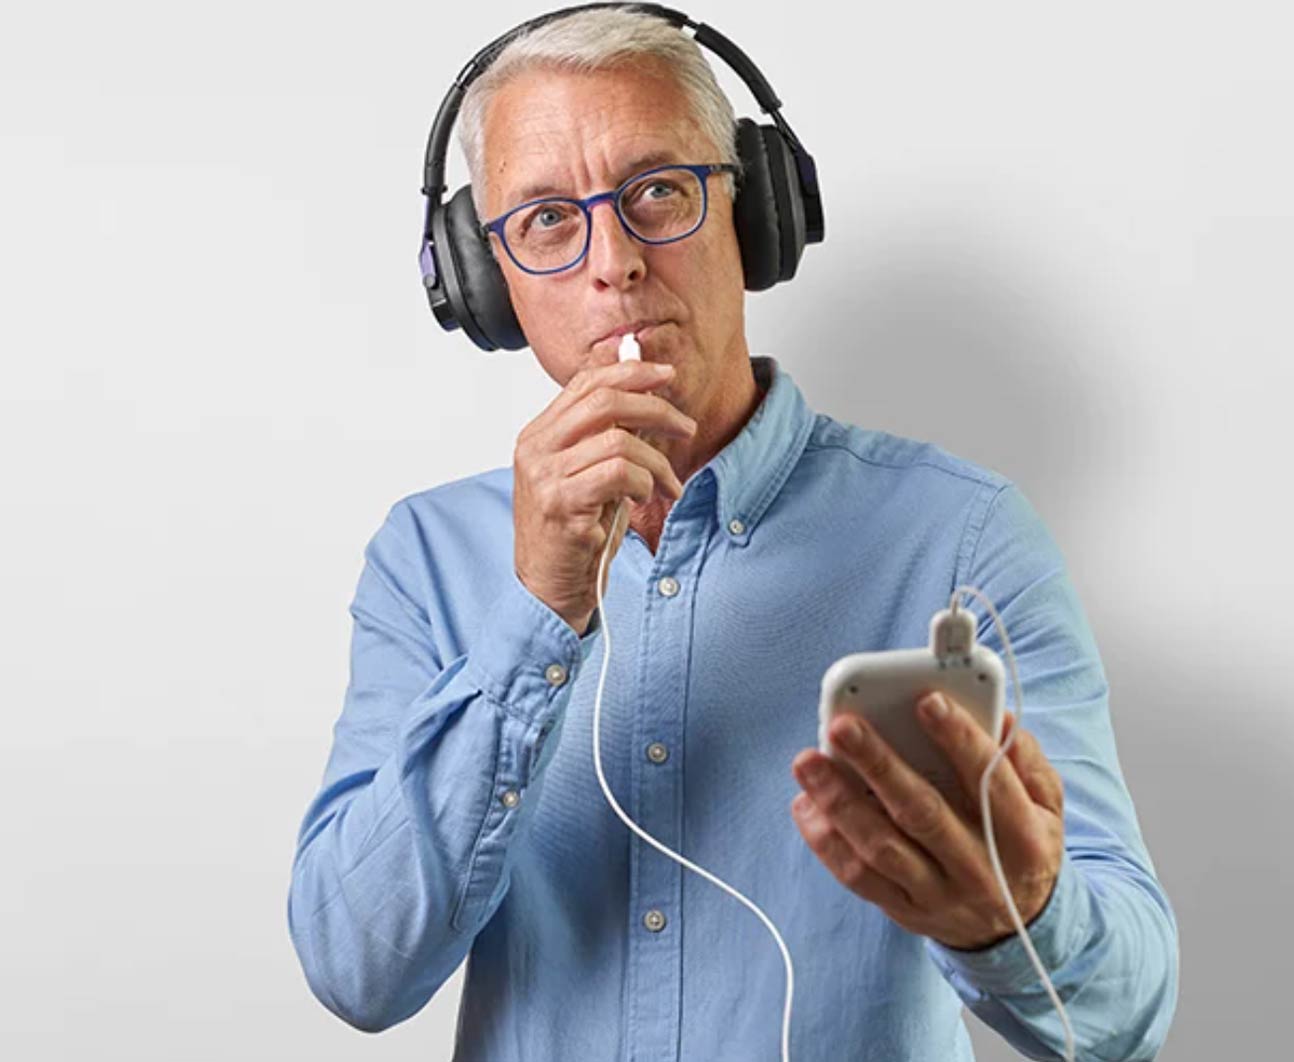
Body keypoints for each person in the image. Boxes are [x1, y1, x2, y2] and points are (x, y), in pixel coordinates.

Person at [285, 7, 1179, 1060]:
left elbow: (1121, 1022)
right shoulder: (426, 559)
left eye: (658, 190)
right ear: (485, 287)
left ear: (752, 213)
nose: (611, 263)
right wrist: (537, 611)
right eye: (545, 221)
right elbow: (356, 971)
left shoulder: (959, 535)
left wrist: (1016, 920)